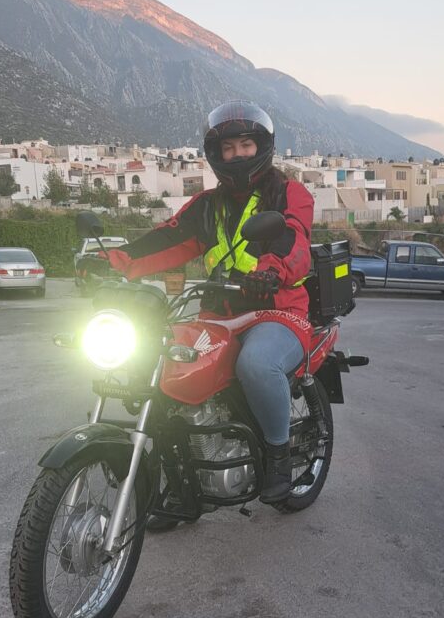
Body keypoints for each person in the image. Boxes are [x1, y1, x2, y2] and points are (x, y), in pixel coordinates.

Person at [106, 101, 314, 528]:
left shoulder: (288, 192)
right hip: (217, 314)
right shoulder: (206, 205)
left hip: (277, 311)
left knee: (256, 365)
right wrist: (114, 260)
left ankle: (278, 455)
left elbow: (295, 240)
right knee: (160, 364)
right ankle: (176, 478)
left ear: (262, 146)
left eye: (245, 144)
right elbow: (169, 239)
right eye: (228, 148)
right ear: (215, 155)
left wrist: (269, 273)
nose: (237, 154)